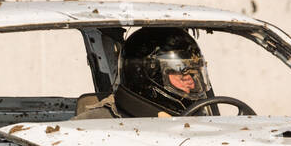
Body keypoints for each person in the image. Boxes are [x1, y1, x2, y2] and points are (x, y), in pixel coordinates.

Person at [77, 28, 214, 120]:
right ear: (151, 77)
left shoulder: (204, 122)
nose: (191, 80)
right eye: (182, 75)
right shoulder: (92, 127)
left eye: (194, 73)